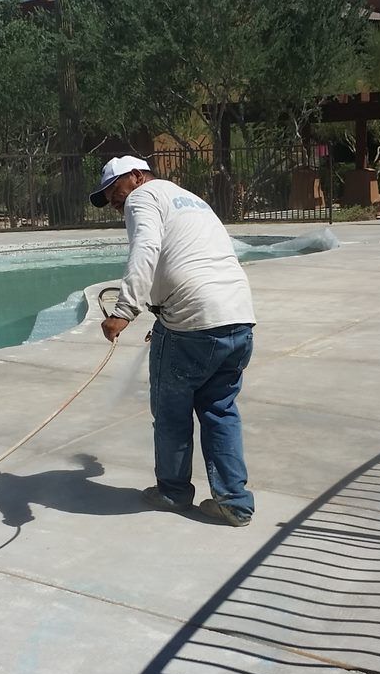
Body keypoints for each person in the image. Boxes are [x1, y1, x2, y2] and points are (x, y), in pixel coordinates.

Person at [90, 155, 256, 527]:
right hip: (238, 317)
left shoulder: (142, 197)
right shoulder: (189, 198)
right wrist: (163, 315)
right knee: (220, 410)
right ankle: (235, 503)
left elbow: (145, 249)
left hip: (193, 323)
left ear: (136, 176)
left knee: (171, 414)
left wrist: (124, 310)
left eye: (113, 190)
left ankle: (173, 492)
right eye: (106, 197)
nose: (113, 201)